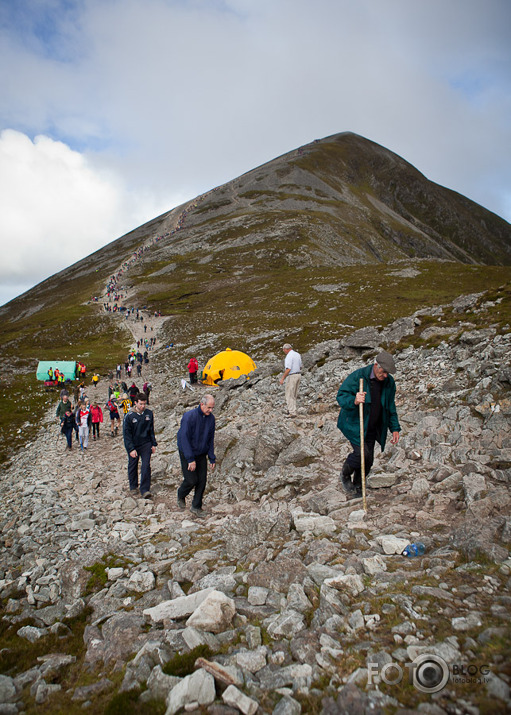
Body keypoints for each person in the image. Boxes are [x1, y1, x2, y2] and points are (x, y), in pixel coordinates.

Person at [336, 350, 401, 498]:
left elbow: (390, 406)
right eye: (384, 372)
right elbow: (341, 396)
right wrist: (354, 400)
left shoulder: (389, 383)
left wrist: (395, 428)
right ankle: (345, 474)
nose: (385, 376)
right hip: (354, 424)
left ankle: (359, 486)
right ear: (376, 365)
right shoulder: (358, 377)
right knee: (362, 454)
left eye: (388, 373)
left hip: (373, 426)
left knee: (369, 459)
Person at [177, 394, 216, 517]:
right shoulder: (189, 417)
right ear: (202, 404)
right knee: (191, 480)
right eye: (209, 408)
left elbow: (210, 439)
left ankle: (196, 506)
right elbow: (184, 438)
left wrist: (211, 457)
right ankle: (181, 494)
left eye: (212, 408)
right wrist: (190, 459)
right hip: (187, 452)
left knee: (202, 481)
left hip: (201, 453)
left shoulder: (211, 419)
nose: (210, 410)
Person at [123, 392, 157, 499]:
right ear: (136, 403)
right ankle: (133, 486)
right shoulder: (129, 416)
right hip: (134, 444)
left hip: (146, 443)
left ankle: (145, 489)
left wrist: (153, 443)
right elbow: (126, 435)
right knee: (133, 465)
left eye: (144, 404)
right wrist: (131, 448)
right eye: (141, 404)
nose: (143, 406)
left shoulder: (149, 414)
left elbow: (151, 429)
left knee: (146, 465)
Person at [279, 343, 302, 418]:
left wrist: (283, 378)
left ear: (286, 349)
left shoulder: (289, 356)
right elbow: (300, 366)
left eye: (283, 349)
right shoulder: (297, 354)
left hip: (292, 376)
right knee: (294, 393)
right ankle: (293, 409)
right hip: (298, 374)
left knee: (289, 393)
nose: (283, 351)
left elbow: (288, 368)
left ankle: (292, 412)